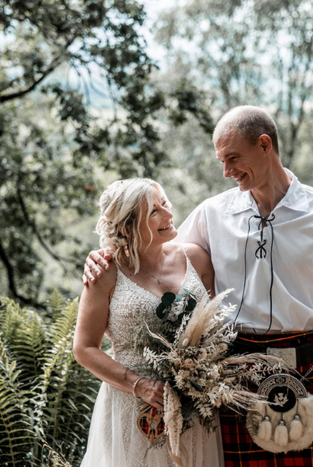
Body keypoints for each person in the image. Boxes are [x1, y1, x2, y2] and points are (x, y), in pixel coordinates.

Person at [84, 106, 313, 466]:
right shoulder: (213, 213)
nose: (226, 172)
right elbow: (151, 252)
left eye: (233, 158)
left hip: (312, 369)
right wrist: (104, 254)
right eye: (222, 160)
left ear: (265, 145)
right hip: (239, 378)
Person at [73, 178, 224, 467]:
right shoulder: (105, 272)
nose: (168, 214)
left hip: (196, 405)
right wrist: (138, 384)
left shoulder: (197, 259)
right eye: (154, 212)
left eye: (165, 203)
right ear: (126, 226)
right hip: (133, 408)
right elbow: (84, 348)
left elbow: (215, 330)